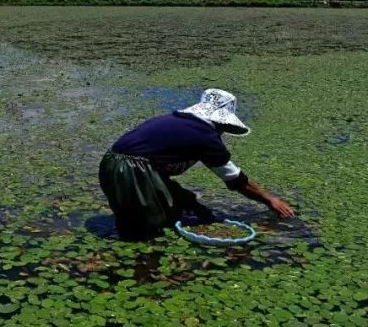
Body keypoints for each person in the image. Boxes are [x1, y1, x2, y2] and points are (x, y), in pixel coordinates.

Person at [99, 89, 296, 241]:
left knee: (185, 203)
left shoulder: (177, 120)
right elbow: (235, 179)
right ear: (222, 122)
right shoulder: (205, 136)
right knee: (144, 230)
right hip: (131, 171)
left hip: (112, 163)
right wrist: (270, 200)